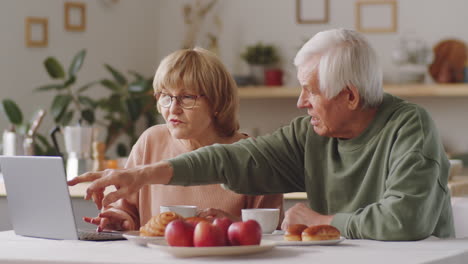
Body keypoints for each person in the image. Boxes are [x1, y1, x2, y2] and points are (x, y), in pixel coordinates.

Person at [70, 29, 454, 241]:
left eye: (311, 91)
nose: (301, 102)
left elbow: (405, 221)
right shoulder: (310, 134)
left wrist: (324, 218)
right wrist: (140, 175)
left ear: (350, 95)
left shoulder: (409, 126)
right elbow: (231, 158)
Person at [68, 47, 283, 231]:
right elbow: (127, 209)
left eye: (187, 97)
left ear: (217, 103)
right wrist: (121, 218)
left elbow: (273, 234)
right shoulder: (150, 141)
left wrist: (233, 225)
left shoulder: (253, 157)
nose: (173, 109)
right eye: (165, 96)